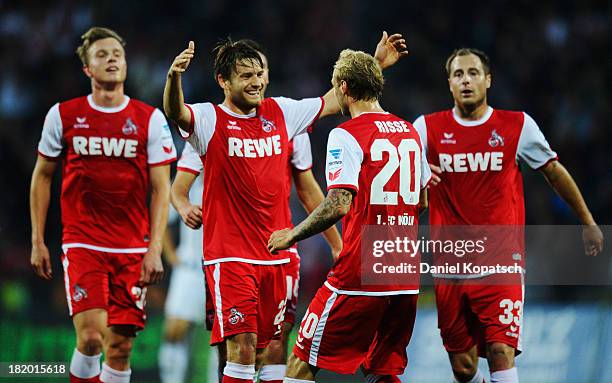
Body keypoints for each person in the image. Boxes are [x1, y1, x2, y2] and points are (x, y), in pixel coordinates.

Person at [163, 33, 406, 383]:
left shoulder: (283, 113)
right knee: (241, 349)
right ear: (223, 80)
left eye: (261, 72)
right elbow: (176, 111)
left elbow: (337, 97)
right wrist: (174, 79)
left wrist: (376, 63)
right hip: (230, 257)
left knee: (271, 350)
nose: (256, 81)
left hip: (280, 256)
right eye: (246, 75)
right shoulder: (209, 120)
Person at [412, 48, 604, 383]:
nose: (466, 80)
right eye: (458, 74)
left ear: (488, 80)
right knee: (463, 367)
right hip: (450, 265)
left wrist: (587, 221)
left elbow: (554, 171)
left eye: (473, 73)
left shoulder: (517, 126)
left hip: (502, 261)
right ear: (449, 84)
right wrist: (417, 177)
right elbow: (402, 183)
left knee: (501, 351)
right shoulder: (426, 130)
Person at [268, 48, 431, 383]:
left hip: (359, 271)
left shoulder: (347, 134)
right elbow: (422, 201)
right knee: (380, 371)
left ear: (342, 87)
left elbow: (339, 203)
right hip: (404, 273)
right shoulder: (410, 132)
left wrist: (291, 234)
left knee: (300, 362)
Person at [30, 27, 176, 383]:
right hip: (83, 243)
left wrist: (154, 249)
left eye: (117, 54)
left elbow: (161, 190)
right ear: (87, 69)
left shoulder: (150, 119)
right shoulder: (63, 116)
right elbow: (43, 177)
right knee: (93, 337)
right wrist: (37, 240)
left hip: (132, 246)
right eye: (102, 54)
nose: (112, 59)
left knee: (120, 349)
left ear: (126, 65)